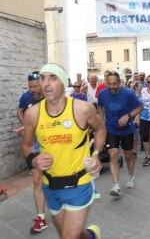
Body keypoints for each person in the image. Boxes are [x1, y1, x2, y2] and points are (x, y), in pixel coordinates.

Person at [21, 63, 106, 239]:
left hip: (79, 183)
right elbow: (27, 145)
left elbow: (100, 129)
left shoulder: (82, 109)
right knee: (69, 234)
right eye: (43, 78)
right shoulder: (33, 114)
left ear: (64, 83)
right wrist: (34, 160)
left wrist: (96, 155)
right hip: (50, 185)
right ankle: (90, 235)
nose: (46, 83)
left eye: (52, 78)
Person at [97, 71, 143, 198]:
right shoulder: (102, 94)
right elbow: (100, 107)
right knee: (113, 154)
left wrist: (128, 116)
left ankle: (130, 176)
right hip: (111, 128)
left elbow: (140, 107)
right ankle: (116, 185)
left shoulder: (128, 94)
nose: (112, 87)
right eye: (109, 84)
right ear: (106, 82)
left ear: (120, 82)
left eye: (114, 84)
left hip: (127, 129)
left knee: (128, 155)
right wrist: (101, 120)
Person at [17, 71, 48, 234]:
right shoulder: (26, 97)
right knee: (37, 179)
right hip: (36, 143)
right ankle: (41, 217)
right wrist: (26, 127)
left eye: (35, 86)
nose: (32, 90)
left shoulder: (52, 98)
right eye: (30, 87)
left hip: (54, 143)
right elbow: (19, 112)